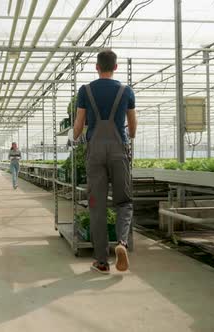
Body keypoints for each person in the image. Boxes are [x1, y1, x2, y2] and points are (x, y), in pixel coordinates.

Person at [71, 49, 137, 274]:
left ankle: (101, 261)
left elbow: (79, 125)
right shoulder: (126, 91)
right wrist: (129, 135)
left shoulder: (85, 91)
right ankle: (121, 243)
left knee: (96, 206)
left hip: (95, 152)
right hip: (119, 150)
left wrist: (75, 139)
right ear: (116, 67)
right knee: (124, 202)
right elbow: (133, 125)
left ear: (96, 67)